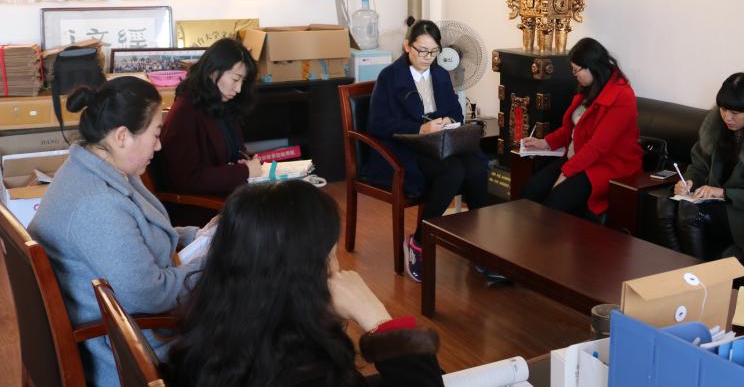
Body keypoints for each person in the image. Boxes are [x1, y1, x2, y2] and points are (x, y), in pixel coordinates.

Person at [164, 180, 444, 387]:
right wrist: (378, 319)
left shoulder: (220, 328)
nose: (338, 268)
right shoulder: (308, 371)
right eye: (332, 255)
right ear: (305, 273)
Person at [28, 77, 210, 386]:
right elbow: (150, 295)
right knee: (253, 334)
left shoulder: (98, 167)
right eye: (155, 134)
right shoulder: (97, 202)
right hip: (124, 350)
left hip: (125, 325)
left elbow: (138, 232)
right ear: (123, 136)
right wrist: (212, 261)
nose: (159, 145)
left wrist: (197, 236)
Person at [366, 20, 491, 283]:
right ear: (407, 46)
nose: (427, 57)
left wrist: (448, 121)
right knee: (453, 172)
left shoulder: (441, 74)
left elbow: (455, 112)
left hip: (439, 143)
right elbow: (377, 123)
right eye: (422, 50)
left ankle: (479, 246)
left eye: (433, 52)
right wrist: (420, 128)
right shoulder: (389, 77)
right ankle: (419, 242)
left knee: (477, 167)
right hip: (406, 147)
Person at [657, 73, 744, 260]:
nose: (727, 117)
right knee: (666, 205)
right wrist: (689, 182)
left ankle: (699, 272)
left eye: (735, 113)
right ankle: (678, 266)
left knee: (690, 213)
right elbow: (699, 166)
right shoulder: (716, 129)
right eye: (723, 109)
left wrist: (724, 193)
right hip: (714, 204)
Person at [521, 37, 642, 219]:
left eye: (576, 69)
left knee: (556, 200)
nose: (574, 74)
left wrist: (566, 173)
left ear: (591, 67)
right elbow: (571, 129)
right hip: (578, 158)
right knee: (532, 189)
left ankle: (543, 238)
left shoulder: (622, 96)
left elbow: (598, 147)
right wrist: (544, 142)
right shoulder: (589, 88)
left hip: (606, 165)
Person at [156, 37, 261, 196]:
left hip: (227, 195)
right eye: (235, 79)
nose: (239, 89)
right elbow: (186, 180)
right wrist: (244, 171)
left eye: (243, 81)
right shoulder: (185, 112)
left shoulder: (222, 104)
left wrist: (246, 162)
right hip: (202, 204)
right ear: (213, 71)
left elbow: (233, 152)